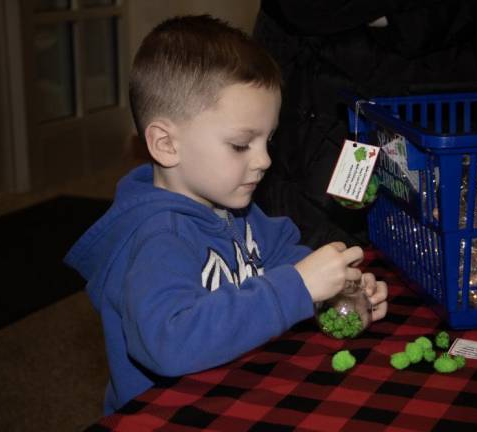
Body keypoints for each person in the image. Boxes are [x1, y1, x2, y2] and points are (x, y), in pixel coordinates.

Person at [64, 15, 388, 415]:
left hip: (236, 397)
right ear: (166, 144)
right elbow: (170, 343)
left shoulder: (236, 206)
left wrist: (337, 290)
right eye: (240, 145)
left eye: (267, 140)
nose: (265, 160)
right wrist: (296, 288)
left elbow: (285, 255)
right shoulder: (156, 239)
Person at [253, 0, 477, 248]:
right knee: (318, 247)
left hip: (438, 99)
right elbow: (300, 11)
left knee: (439, 248)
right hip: (321, 100)